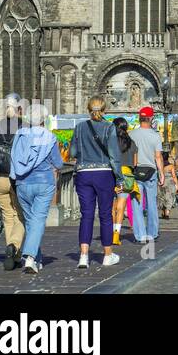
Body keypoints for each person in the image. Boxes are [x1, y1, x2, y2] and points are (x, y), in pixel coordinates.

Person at [9, 103, 65, 274]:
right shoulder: (49, 137)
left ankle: (36, 259)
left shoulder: (19, 134)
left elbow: (14, 157)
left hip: (22, 183)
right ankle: (30, 258)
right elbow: (58, 163)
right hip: (43, 183)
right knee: (38, 220)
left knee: (31, 222)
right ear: (43, 119)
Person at [67, 96, 121, 269]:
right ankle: (107, 255)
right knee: (105, 215)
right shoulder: (109, 127)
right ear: (104, 110)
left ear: (88, 109)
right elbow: (114, 155)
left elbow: (73, 151)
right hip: (104, 174)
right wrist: (119, 177)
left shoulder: (80, 127)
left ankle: (83, 256)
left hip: (83, 174)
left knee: (87, 215)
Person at [0, 94, 25, 270]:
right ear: (19, 109)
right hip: (18, 177)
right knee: (21, 216)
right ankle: (14, 246)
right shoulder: (26, 127)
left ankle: (13, 256)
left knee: (7, 215)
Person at [129, 107, 165, 245]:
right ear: (151, 118)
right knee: (151, 204)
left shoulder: (132, 135)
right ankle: (152, 233)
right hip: (150, 173)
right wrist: (161, 173)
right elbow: (158, 157)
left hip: (136, 172)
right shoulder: (155, 136)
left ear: (139, 118)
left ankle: (140, 235)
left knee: (136, 205)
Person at [110, 117, 136, 245]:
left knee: (111, 206)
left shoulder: (111, 141)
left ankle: (109, 231)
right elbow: (135, 162)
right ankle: (116, 235)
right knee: (121, 206)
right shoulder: (131, 142)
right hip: (127, 174)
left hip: (112, 173)